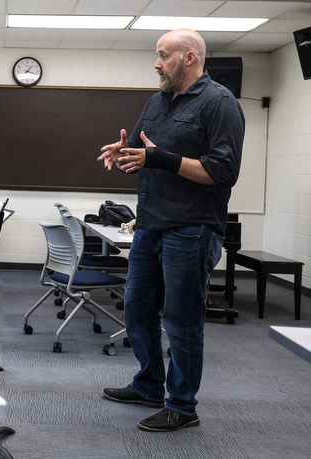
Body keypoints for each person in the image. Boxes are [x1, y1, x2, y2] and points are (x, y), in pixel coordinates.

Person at [97, 28, 245, 432]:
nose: (157, 63)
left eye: (163, 55)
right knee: (137, 309)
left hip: (191, 229)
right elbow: (149, 152)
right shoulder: (158, 101)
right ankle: (149, 385)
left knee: (181, 319)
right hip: (150, 224)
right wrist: (125, 150)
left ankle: (182, 405)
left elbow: (223, 172)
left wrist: (160, 159)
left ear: (189, 58)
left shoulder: (219, 103)